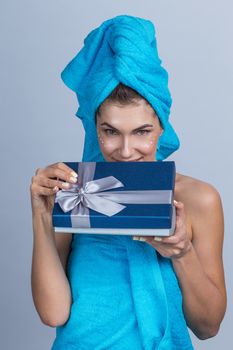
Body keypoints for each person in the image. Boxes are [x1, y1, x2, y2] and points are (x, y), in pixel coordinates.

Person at [30, 15, 227, 349]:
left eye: (142, 132)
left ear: (162, 127)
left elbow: (208, 327)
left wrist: (182, 252)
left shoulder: (198, 199)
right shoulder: (76, 192)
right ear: (95, 128)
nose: (125, 150)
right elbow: (53, 314)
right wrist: (40, 214)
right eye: (110, 131)